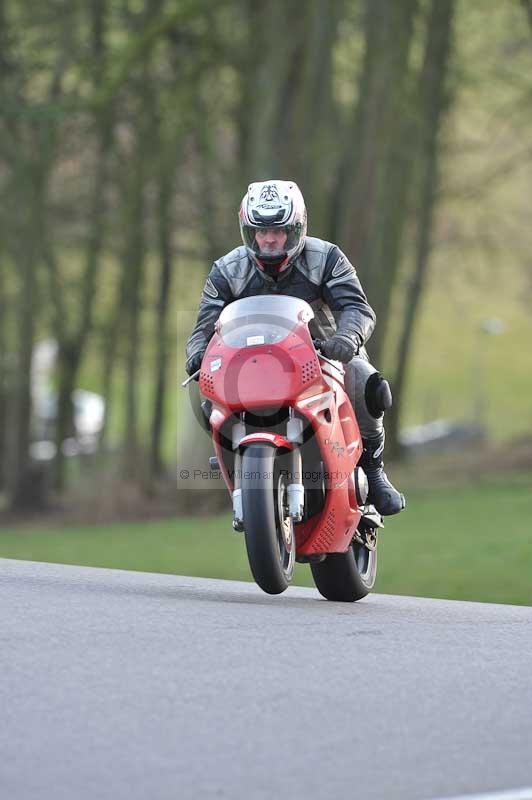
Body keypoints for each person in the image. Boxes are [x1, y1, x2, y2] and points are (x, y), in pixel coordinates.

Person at [185, 179, 405, 516]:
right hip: (253, 364)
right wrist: (197, 355)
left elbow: (357, 309)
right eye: (260, 231)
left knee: (366, 382)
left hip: (324, 356)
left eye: (279, 230)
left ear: (297, 228)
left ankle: (373, 472)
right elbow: (203, 326)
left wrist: (346, 340)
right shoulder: (226, 270)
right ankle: (234, 461)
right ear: (248, 231)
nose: (269, 239)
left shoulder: (327, 257)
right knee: (208, 395)